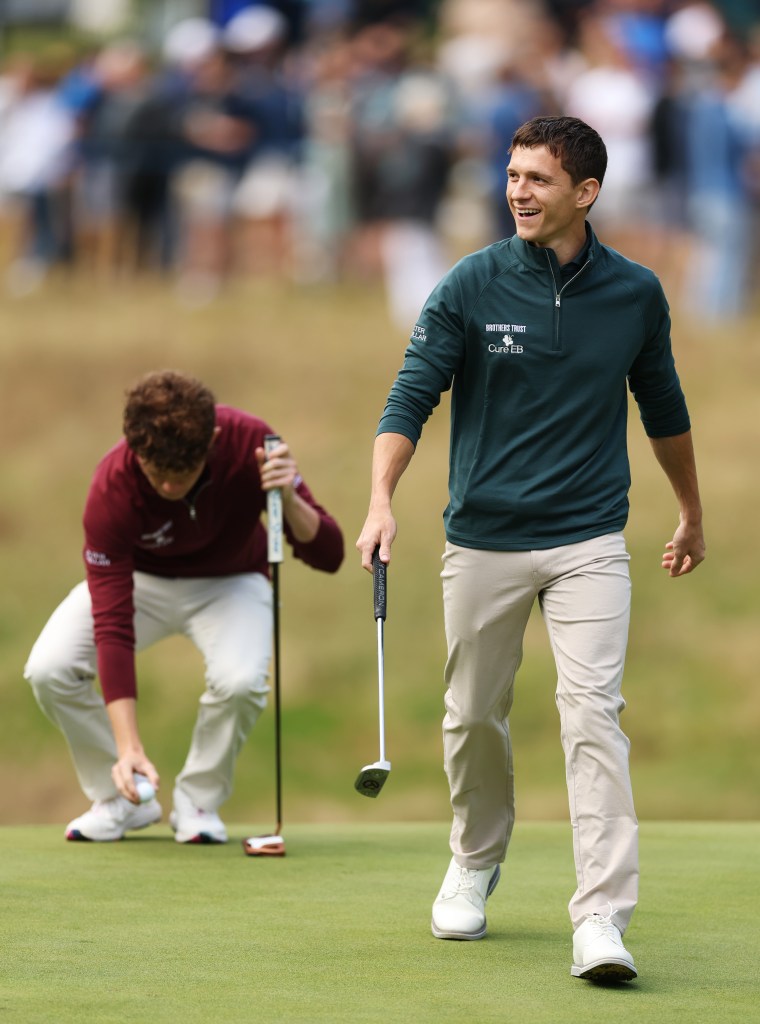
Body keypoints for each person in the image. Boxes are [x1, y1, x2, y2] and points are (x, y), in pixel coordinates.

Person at [356, 116, 704, 983]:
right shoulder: (470, 285)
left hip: (590, 537)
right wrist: (379, 501)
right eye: (513, 175)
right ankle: (475, 861)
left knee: (592, 716)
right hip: (483, 538)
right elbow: (410, 399)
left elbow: (664, 410)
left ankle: (601, 919)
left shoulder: (635, 294)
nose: (518, 190)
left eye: (538, 179)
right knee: (472, 714)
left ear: (585, 193)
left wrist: (691, 512)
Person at [25, 370, 343, 843]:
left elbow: (329, 555)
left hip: (232, 581)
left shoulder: (254, 444)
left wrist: (288, 497)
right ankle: (122, 797)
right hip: (141, 582)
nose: (170, 488)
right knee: (49, 668)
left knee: (239, 681)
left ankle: (197, 801)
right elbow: (113, 624)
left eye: (182, 475)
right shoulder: (110, 489)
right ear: (134, 449)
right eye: (158, 476)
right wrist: (128, 745)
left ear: (212, 440)